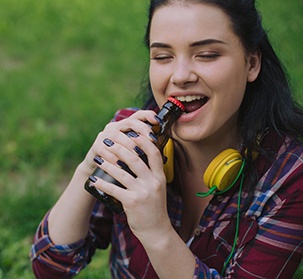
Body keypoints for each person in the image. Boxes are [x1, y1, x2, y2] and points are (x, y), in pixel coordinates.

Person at [30, 0, 303, 278]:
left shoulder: (291, 177)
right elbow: (50, 267)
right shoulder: (129, 137)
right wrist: (88, 169)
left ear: (252, 63)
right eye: (162, 57)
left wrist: (156, 232)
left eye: (207, 54)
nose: (180, 76)